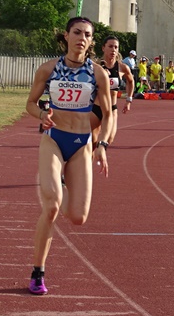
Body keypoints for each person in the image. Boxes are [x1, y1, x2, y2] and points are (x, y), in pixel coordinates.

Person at [24, 17, 111, 295]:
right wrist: (41, 114)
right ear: (66, 36)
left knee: (78, 217)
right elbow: (30, 103)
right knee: (51, 207)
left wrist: (103, 145)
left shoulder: (98, 74)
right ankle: (38, 272)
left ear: (91, 41)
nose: (81, 38)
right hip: (53, 140)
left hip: (82, 144)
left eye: (87, 34)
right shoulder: (49, 69)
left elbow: (108, 114)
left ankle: (61, 182)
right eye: (76, 32)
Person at [90, 36, 134, 147]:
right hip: (96, 108)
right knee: (92, 143)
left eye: (116, 47)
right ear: (103, 48)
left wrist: (129, 100)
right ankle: (89, 163)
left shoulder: (122, 68)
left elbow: (130, 81)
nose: (113, 50)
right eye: (110, 46)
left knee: (109, 139)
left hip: (111, 108)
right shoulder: (95, 66)